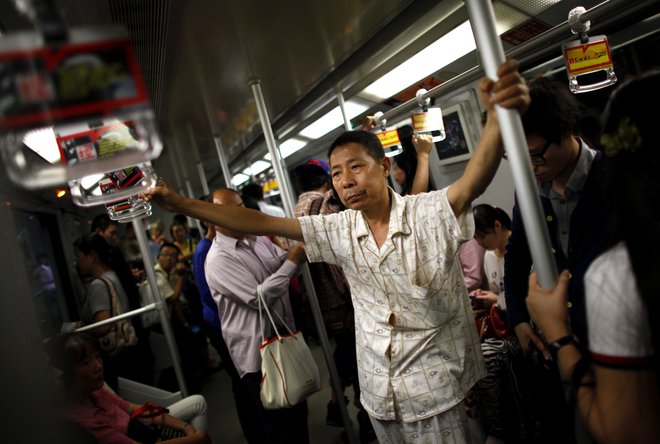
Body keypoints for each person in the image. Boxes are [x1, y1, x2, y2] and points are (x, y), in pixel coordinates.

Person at [144, 59, 529, 441]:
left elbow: (472, 182)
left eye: (356, 167)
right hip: (381, 395)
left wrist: (495, 118)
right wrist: (181, 204)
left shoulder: (426, 213)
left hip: (439, 393)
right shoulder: (339, 229)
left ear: (383, 166)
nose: (345, 181)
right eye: (337, 173)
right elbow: (261, 223)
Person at [526, 70, 660, 444]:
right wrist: (522, 318)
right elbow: (521, 249)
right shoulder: (530, 188)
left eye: (536, 154)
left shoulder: (618, 273)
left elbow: (624, 430)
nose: (530, 167)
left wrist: (558, 334)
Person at [204, 188, 310, 444]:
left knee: (298, 416)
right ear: (211, 219)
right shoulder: (218, 259)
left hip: (284, 340)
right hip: (258, 357)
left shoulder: (257, 238)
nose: (241, 214)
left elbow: (277, 265)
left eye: (241, 206)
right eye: (232, 211)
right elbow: (257, 298)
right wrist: (292, 261)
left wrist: (291, 256)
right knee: (279, 428)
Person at [293, 157, 375, 442]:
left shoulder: (299, 207)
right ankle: (363, 417)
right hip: (340, 299)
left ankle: (337, 401)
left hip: (317, 301)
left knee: (345, 351)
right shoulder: (326, 203)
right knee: (360, 359)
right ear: (326, 181)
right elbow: (338, 256)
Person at [46, 332, 211, 444]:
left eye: (97, 357)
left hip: (141, 428)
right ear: (66, 373)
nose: (98, 366)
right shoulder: (82, 421)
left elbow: (132, 408)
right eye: (86, 363)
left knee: (197, 404)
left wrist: (186, 427)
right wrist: (195, 439)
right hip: (139, 437)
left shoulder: (95, 391)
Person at [192, 215, 260, 444]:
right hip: (219, 325)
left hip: (225, 322)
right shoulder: (207, 252)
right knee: (242, 382)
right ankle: (254, 432)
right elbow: (209, 296)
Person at [471, 203, 514, 443]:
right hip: (502, 322)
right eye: (475, 238)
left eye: (482, 236)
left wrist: (496, 300)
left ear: (498, 226)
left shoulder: (517, 249)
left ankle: (500, 429)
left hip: (517, 324)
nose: (480, 243)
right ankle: (497, 424)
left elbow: (523, 295)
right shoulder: (489, 256)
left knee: (486, 359)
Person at [73, 233, 137, 391]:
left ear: (92, 256)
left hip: (116, 355)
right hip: (131, 350)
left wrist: (78, 329)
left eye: (79, 256)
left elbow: (103, 326)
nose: (77, 262)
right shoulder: (115, 275)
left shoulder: (98, 285)